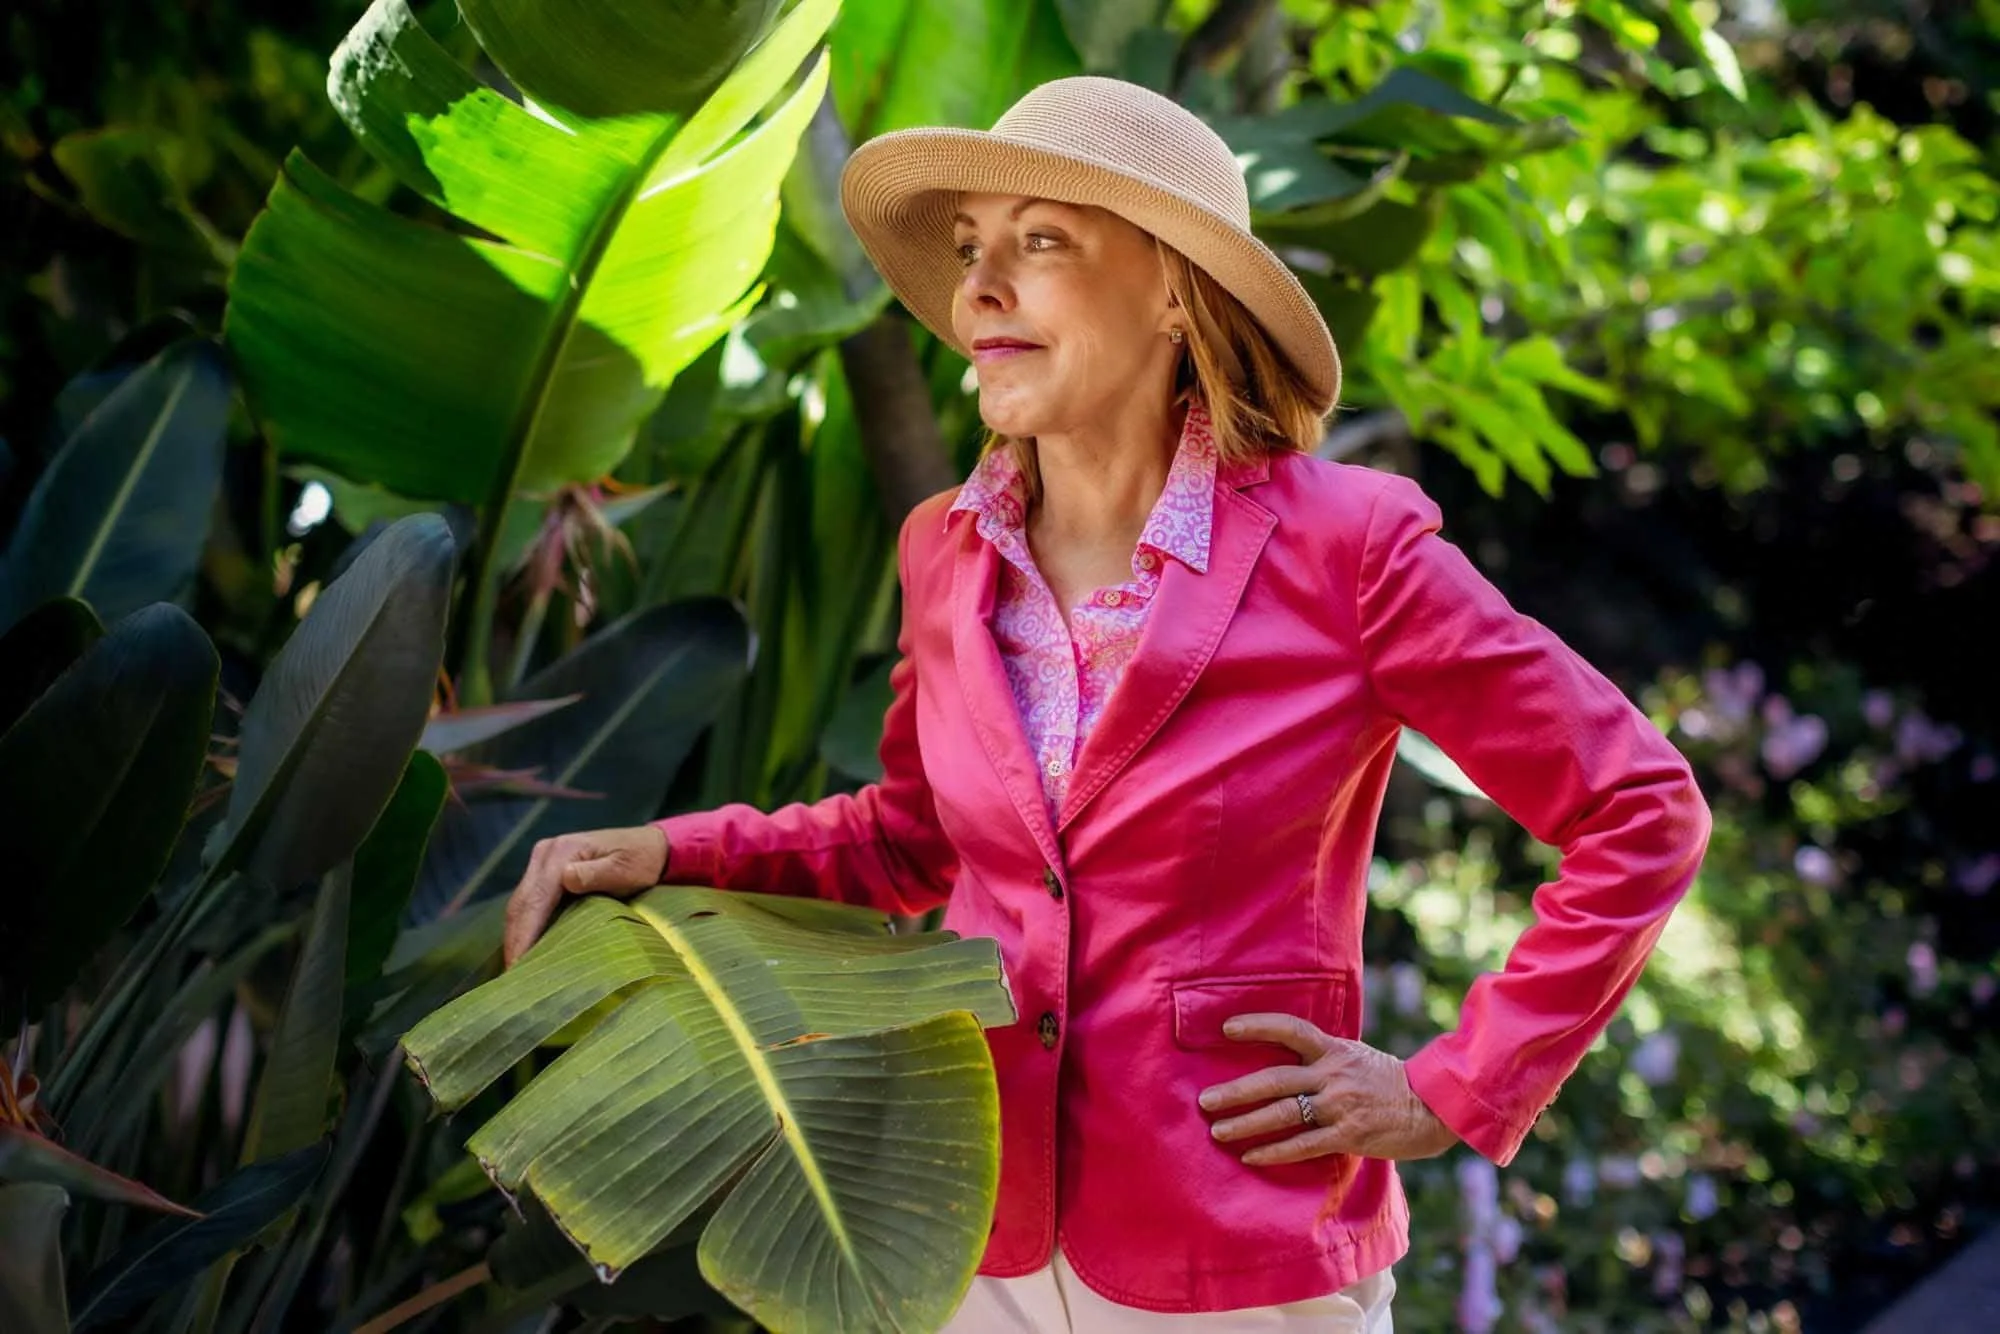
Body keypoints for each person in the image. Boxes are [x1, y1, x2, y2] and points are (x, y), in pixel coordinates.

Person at [501, 76, 1712, 1332]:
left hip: (1240, 1253)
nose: (975, 289)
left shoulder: (1353, 546)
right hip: (969, 1232)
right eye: (971, 248)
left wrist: (1452, 1085)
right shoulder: (943, 550)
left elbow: (1638, 807)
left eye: (1039, 241)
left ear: (1175, 288)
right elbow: (912, 838)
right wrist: (666, 849)